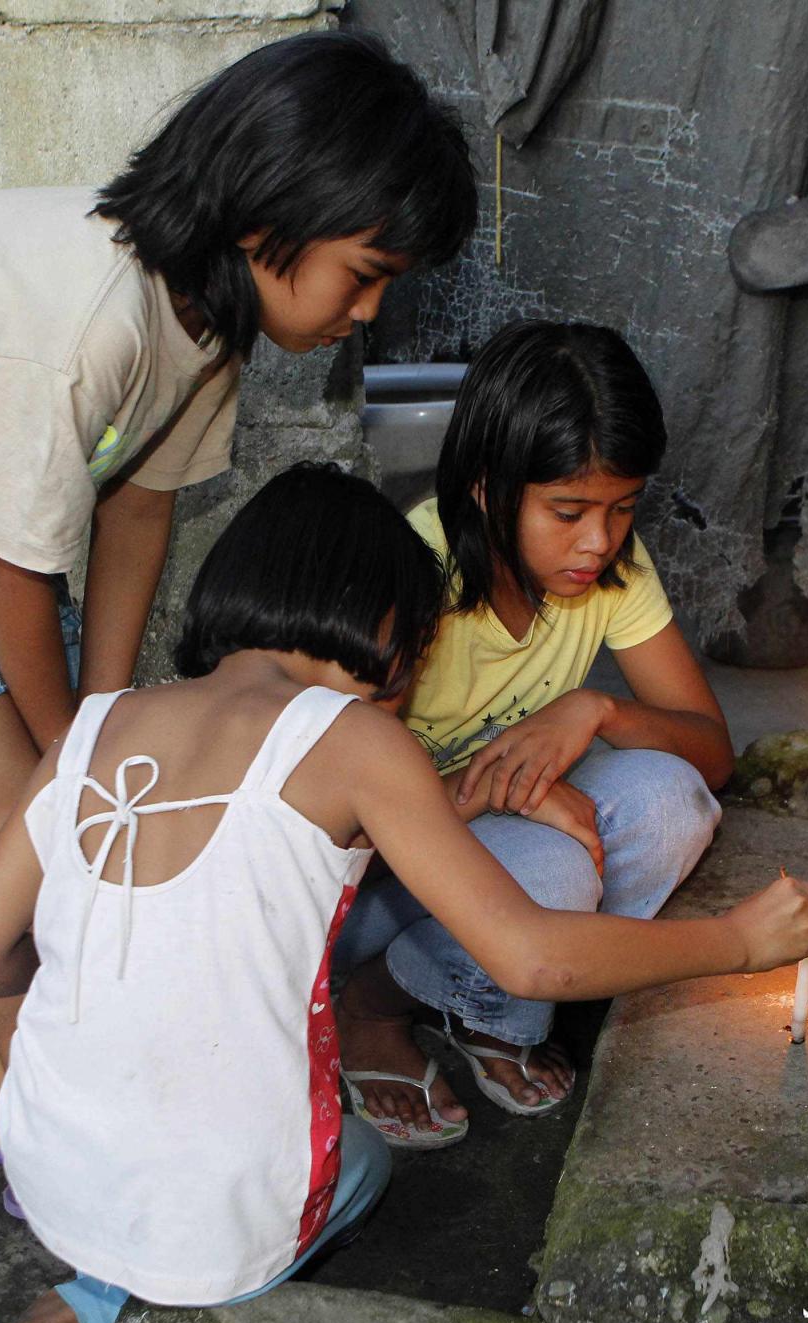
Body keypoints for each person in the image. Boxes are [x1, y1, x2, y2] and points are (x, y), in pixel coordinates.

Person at [0, 465, 808, 1323]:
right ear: (382, 627)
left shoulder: (90, 726)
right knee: (359, 1162)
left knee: (177, 1122)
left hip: (49, 1166)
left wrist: (91, 966)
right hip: (219, 1202)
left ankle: (66, 1318)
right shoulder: (353, 737)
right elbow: (528, 957)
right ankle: (108, 1320)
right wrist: (736, 942)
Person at [0, 32, 476, 1175]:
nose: (367, 312)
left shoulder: (210, 325)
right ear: (269, 219)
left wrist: (99, 718)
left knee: (63, 819)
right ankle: (18, 1126)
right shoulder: (95, 324)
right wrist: (74, 755)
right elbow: (8, 567)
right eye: (363, 274)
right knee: (29, 865)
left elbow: (135, 513)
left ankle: (25, 1100)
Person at [335, 320, 738, 1142]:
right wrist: (505, 789)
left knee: (674, 801)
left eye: (623, 508)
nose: (599, 539)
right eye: (568, 510)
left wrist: (597, 709)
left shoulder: (607, 569)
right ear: (487, 487)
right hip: (364, 881)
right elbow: (340, 828)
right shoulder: (413, 577)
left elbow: (712, 753)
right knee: (554, 873)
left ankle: (486, 1013)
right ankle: (370, 1005)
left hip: (483, 834)